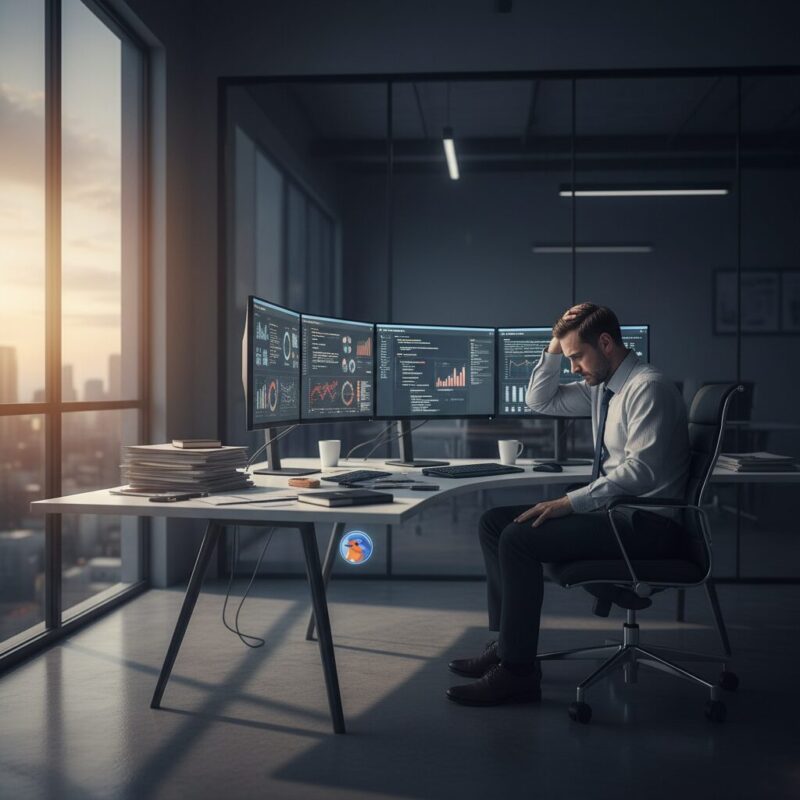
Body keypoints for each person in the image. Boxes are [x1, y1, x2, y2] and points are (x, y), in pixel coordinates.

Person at [446, 303, 690, 706]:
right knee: (494, 522)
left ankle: (517, 673)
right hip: (619, 514)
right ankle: (507, 644)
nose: (573, 367)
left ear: (607, 343)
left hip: (647, 524)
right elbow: (539, 401)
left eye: (577, 356)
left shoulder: (648, 388)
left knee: (519, 539)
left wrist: (570, 502)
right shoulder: (604, 388)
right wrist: (554, 348)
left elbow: (641, 472)